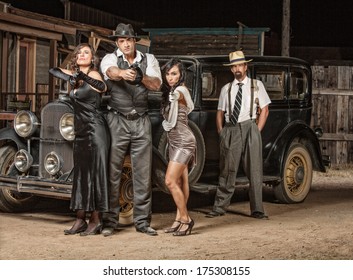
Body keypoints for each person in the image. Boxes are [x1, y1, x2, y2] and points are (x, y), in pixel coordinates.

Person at [100, 23, 162, 236]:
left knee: (143, 173)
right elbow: (110, 72)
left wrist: (140, 77)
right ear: (117, 42)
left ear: (135, 41)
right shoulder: (110, 58)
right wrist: (123, 73)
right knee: (113, 171)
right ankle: (109, 222)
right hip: (117, 120)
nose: (125, 44)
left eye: (128, 40)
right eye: (121, 41)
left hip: (142, 121)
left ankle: (143, 222)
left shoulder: (149, 59)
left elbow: (156, 84)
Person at [49, 43, 110, 235]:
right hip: (81, 132)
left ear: (93, 58)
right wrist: (73, 74)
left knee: (96, 175)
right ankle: (80, 219)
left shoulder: (94, 75)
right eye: (79, 53)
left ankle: (96, 220)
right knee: (81, 177)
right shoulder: (75, 80)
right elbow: (53, 69)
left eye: (86, 53)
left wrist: (82, 75)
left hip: (95, 130)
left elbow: (103, 87)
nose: (82, 55)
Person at [206, 50, 271, 219]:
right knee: (227, 169)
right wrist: (222, 132)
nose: (237, 69)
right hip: (231, 129)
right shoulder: (226, 89)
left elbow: (265, 110)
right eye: (234, 66)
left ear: (245, 66)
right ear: (231, 69)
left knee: (255, 170)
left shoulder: (257, 85)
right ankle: (219, 208)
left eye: (240, 65)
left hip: (250, 127)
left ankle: (257, 210)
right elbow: (220, 112)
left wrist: (256, 129)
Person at [160, 58, 196, 236]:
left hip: (183, 141)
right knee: (181, 181)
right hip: (174, 141)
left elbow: (184, 99)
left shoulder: (180, 90)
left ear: (181, 75)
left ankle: (186, 219)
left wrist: (176, 97)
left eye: (174, 73)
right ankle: (178, 220)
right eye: (167, 73)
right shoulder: (172, 91)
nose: (170, 77)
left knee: (170, 181)